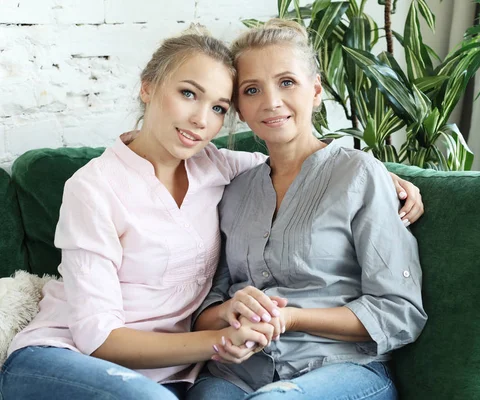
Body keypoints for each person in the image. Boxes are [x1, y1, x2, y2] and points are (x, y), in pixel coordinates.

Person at [0, 26, 423, 400]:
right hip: (75, 357)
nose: (201, 119)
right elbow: (101, 337)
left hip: (213, 372)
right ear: (147, 87)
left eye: (219, 107)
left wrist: (384, 177)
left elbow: (307, 165)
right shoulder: (98, 188)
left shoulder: (217, 168)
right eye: (188, 93)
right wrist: (222, 336)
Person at [187, 19, 428, 400]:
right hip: (237, 373)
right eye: (252, 90)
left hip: (341, 368)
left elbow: (398, 311)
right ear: (239, 108)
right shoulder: (233, 189)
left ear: (315, 91)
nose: (271, 102)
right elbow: (205, 310)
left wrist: (292, 317)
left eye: (287, 82)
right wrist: (232, 310)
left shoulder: (360, 174)